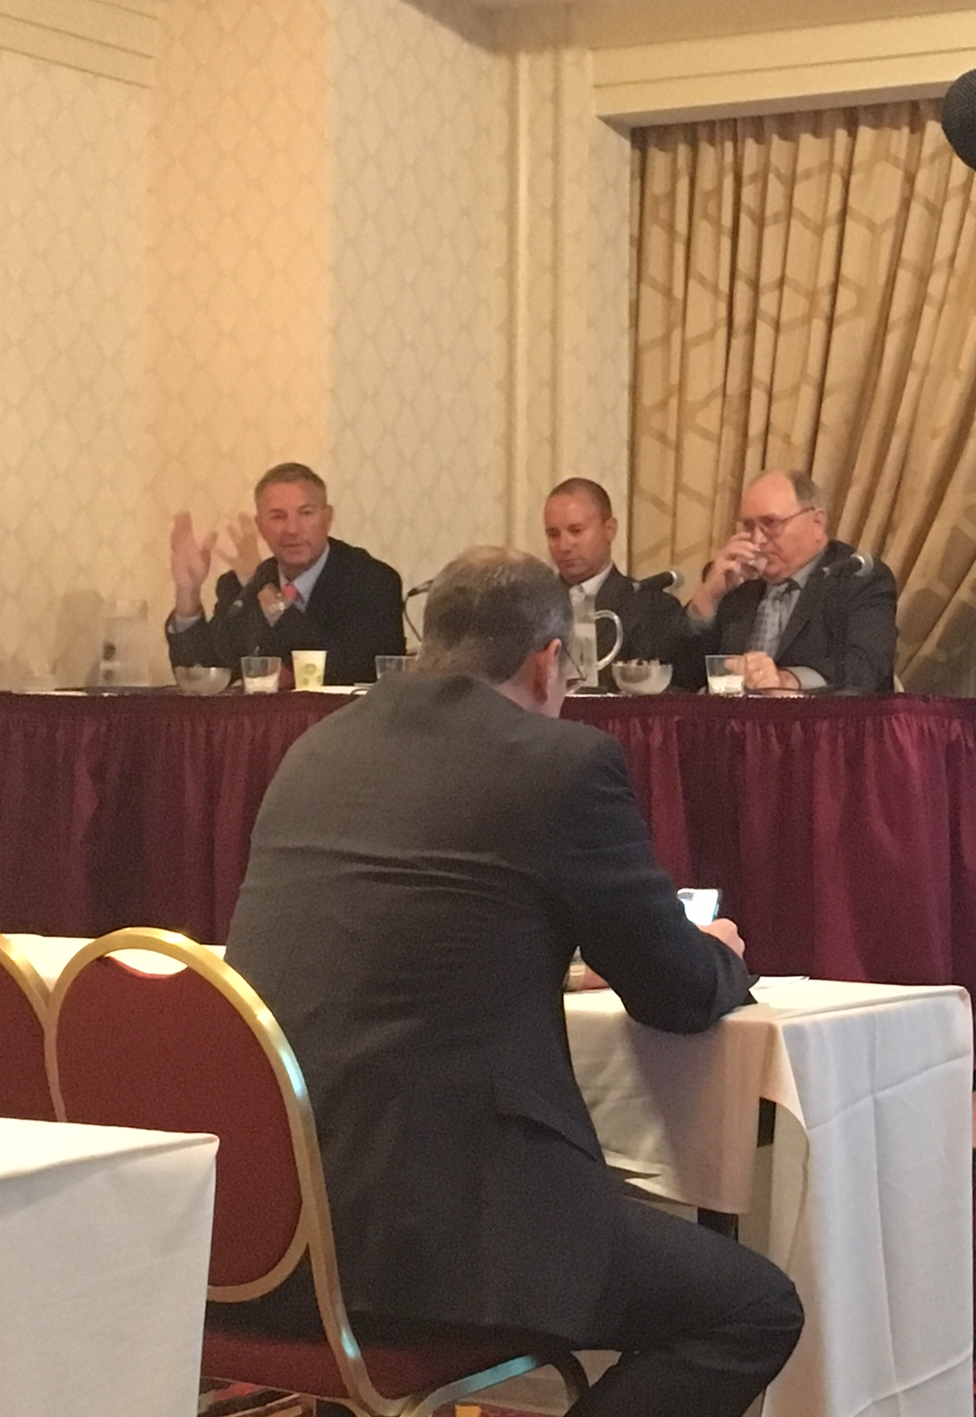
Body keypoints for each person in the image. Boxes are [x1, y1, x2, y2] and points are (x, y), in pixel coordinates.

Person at [220, 547, 803, 1417]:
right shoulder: (561, 764)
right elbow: (677, 995)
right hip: (443, 1239)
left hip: (269, 1234)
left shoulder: (316, 750)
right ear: (548, 659)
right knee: (753, 1310)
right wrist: (715, 946)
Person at [166, 462, 404, 686]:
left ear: (327, 518)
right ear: (261, 526)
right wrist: (188, 594)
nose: (292, 530)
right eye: (278, 517)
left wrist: (270, 599)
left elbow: (348, 672)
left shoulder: (372, 581)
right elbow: (206, 677)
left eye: (306, 513)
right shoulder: (238, 585)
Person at [677, 470, 898, 693]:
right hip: (730, 723)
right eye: (748, 526)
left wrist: (786, 680)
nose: (757, 540)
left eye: (770, 523)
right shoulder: (736, 578)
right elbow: (682, 677)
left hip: (816, 723)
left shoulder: (858, 578)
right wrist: (707, 599)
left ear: (817, 523)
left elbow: (866, 669)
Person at [543, 477, 685, 688]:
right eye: (553, 534)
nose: (564, 546)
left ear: (609, 529)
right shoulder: (531, 607)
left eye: (576, 531)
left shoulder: (651, 606)